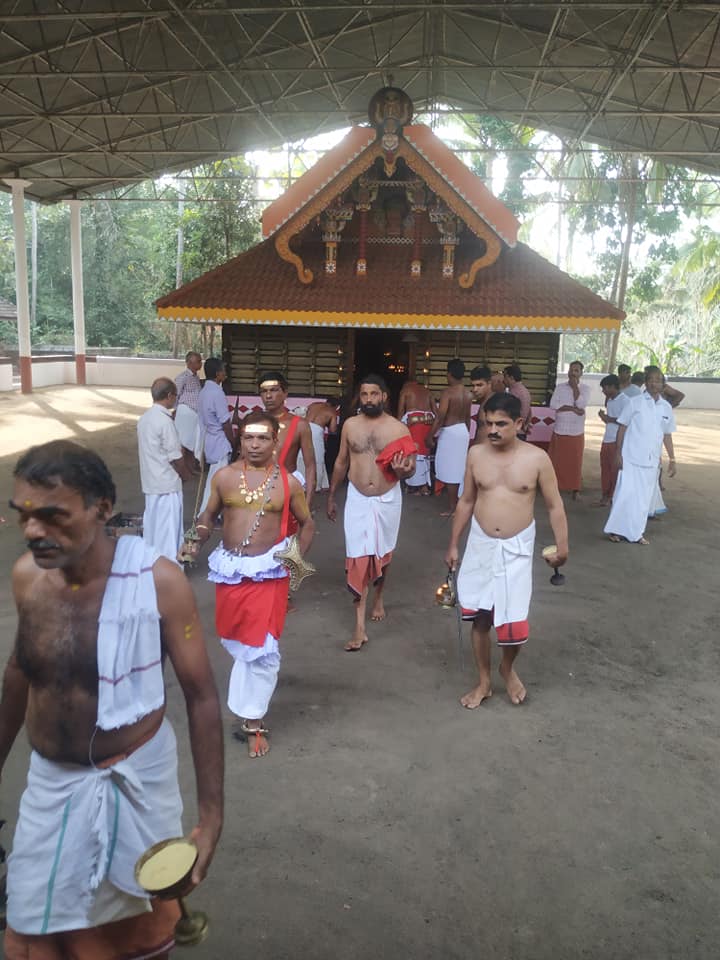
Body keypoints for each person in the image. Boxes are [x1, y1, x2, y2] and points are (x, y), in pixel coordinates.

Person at [1, 440, 223, 960]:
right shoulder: (27, 578)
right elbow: (19, 674)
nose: (34, 532)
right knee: (31, 942)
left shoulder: (159, 583)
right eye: (25, 516)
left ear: (103, 508)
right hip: (50, 791)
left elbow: (202, 697)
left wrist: (210, 820)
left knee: (137, 941)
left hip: (135, 786)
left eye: (54, 516)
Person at [186, 412, 314, 758]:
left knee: (264, 649)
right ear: (240, 440)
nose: (254, 445)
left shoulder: (289, 483)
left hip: (270, 572)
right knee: (236, 640)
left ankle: (254, 721)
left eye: (262, 439)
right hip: (230, 571)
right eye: (248, 438)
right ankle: (247, 709)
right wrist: (196, 538)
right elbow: (207, 517)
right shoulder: (224, 477)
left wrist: (291, 564)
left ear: (275, 442)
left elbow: (307, 524)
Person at [445, 394, 568, 708]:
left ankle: (506, 667)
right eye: (488, 423)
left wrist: (563, 545)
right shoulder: (475, 455)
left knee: (514, 620)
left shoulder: (537, 458)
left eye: (501, 423)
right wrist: (453, 544)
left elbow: (554, 505)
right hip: (481, 543)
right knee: (481, 618)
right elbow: (467, 501)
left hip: (517, 547)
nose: (493, 430)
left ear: (520, 423)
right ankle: (484, 681)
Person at [327, 375, 416, 651]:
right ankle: (359, 627)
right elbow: (342, 461)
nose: (368, 400)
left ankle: (379, 595)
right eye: (364, 394)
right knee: (358, 556)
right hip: (357, 498)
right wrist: (331, 495)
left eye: (373, 394)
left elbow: (410, 466)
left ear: (384, 396)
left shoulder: (399, 428)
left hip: (388, 497)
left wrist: (405, 471)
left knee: (383, 551)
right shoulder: (350, 426)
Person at [604, 369, 677, 545]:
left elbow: (667, 434)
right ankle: (615, 531)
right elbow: (622, 427)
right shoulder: (634, 403)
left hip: (651, 461)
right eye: (650, 380)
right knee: (624, 495)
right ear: (646, 382)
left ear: (663, 385)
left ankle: (636, 533)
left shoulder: (666, 407)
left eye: (658, 380)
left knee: (643, 500)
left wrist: (672, 459)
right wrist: (619, 453)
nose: (654, 383)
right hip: (630, 458)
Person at [137, 377, 190, 563]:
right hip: (167, 484)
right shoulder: (165, 422)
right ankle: (170, 566)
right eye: (175, 396)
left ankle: (152, 563)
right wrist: (185, 475)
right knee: (169, 530)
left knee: (152, 528)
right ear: (169, 396)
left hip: (151, 483)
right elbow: (175, 456)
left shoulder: (144, 419)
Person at [257, 371, 316, 510]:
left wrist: (306, 505)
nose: (268, 396)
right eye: (264, 391)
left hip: (287, 491)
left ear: (285, 393)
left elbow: (310, 466)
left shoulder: (299, 425)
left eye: (274, 390)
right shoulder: (254, 422)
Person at [428, 359, 471, 516]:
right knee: (459, 469)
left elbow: (440, 417)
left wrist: (430, 435)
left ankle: (453, 507)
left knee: (450, 470)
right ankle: (458, 503)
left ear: (449, 374)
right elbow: (467, 418)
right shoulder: (468, 394)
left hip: (451, 432)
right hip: (463, 431)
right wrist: (467, 435)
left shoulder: (447, 393)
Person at [548, 360, 590, 499]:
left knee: (575, 461)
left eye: (576, 370)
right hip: (560, 429)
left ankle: (575, 490)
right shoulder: (560, 387)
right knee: (557, 461)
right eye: (571, 370)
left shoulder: (585, 388)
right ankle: (555, 489)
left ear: (581, 373)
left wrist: (575, 389)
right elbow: (553, 404)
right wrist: (572, 408)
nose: (573, 373)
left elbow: (582, 404)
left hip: (576, 431)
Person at [198, 357, 234, 515]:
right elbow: (225, 422)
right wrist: (233, 442)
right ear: (218, 374)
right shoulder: (217, 392)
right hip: (220, 441)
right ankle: (209, 512)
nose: (225, 374)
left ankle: (211, 511)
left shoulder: (204, 391)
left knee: (215, 478)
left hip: (210, 438)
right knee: (219, 480)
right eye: (224, 371)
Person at [398, 379, 437, 495]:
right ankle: (424, 486)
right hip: (429, 421)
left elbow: (400, 413)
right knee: (424, 453)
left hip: (413, 421)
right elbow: (437, 414)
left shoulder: (406, 390)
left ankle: (415, 487)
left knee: (413, 452)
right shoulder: (428, 391)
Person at [595, 374, 628, 506]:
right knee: (605, 468)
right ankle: (605, 495)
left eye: (605, 388)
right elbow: (610, 420)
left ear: (612, 387)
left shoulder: (625, 401)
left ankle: (612, 496)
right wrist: (604, 417)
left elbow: (625, 421)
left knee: (615, 470)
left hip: (617, 440)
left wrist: (608, 418)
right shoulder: (610, 400)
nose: (603, 391)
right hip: (607, 438)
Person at [301, 397, 339, 492]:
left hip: (304, 428)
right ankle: (316, 484)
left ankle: (300, 482)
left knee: (301, 455)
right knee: (317, 457)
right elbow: (332, 430)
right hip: (317, 432)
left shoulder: (313, 405)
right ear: (337, 406)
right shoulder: (332, 412)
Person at [174, 351, 203, 471]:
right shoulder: (183, 377)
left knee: (191, 442)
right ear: (189, 363)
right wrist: (176, 410)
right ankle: (180, 469)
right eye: (198, 361)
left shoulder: (195, 377)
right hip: (185, 413)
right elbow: (176, 394)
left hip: (194, 414)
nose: (201, 363)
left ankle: (189, 469)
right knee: (182, 442)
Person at [503, 364, 532, 439]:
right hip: (520, 430)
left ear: (511, 378)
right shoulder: (524, 390)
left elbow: (508, 413)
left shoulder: (515, 393)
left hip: (514, 432)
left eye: (505, 377)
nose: (503, 380)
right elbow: (529, 411)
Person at [469, 365, 492, 446]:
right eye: (473, 385)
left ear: (489, 383)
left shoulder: (492, 404)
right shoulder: (484, 402)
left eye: (479, 385)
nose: (475, 389)